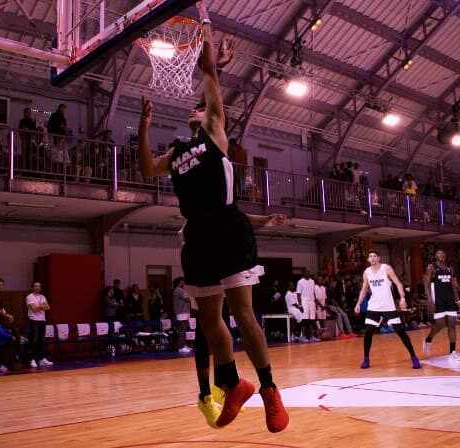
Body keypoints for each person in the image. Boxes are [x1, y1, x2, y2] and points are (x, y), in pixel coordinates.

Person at [137, 3, 288, 432]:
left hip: (226, 226)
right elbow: (147, 168)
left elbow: (208, 76)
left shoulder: (217, 131)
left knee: (243, 312)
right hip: (197, 234)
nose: (196, 109)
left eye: (201, 107)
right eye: (196, 109)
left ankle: (270, 388)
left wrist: (208, 41)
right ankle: (233, 384)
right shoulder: (177, 151)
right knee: (208, 318)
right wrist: (144, 126)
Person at [354, 250, 421, 369]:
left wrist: (402, 298)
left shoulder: (386, 268)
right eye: (370, 256)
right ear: (368, 259)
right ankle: (366, 359)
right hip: (374, 306)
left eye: (374, 256)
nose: (372, 258)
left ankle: (414, 357)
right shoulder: (367, 272)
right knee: (368, 332)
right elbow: (364, 289)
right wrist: (358, 303)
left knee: (400, 332)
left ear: (379, 258)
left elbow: (398, 284)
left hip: (388, 306)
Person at [422, 249, 460, 363]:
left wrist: (458, 301)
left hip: (450, 299)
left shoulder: (450, 268)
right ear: (435, 256)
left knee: (452, 325)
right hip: (438, 299)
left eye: (442, 253)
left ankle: (452, 352)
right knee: (440, 324)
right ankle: (428, 340)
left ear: (445, 256)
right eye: (438, 253)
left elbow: (454, 285)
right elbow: (426, 283)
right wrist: (429, 300)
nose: (441, 255)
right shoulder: (431, 267)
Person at [26, 282, 53, 369]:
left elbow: (48, 307)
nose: (38, 288)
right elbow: (34, 309)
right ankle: (32, 359)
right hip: (33, 320)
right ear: (32, 287)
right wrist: (42, 306)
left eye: (39, 286)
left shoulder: (42, 296)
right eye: (36, 286)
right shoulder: (29, 297)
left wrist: (39, 307)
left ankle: (42, 359)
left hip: (42, 320)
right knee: (34, 340)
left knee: (42, 340)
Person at [297, 270, 318, 342]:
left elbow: (313, 292)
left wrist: (315, 302)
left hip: (311, 302)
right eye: (306, 273)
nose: (308, 274)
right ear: (304, 274)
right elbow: (298, 294)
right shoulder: (300, 282)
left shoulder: (312, 281)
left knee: (312, 320)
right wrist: (300, 305)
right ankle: (303, 336)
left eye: (309, 273)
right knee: (305, 320)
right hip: (304, 302)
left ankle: (312, 336)